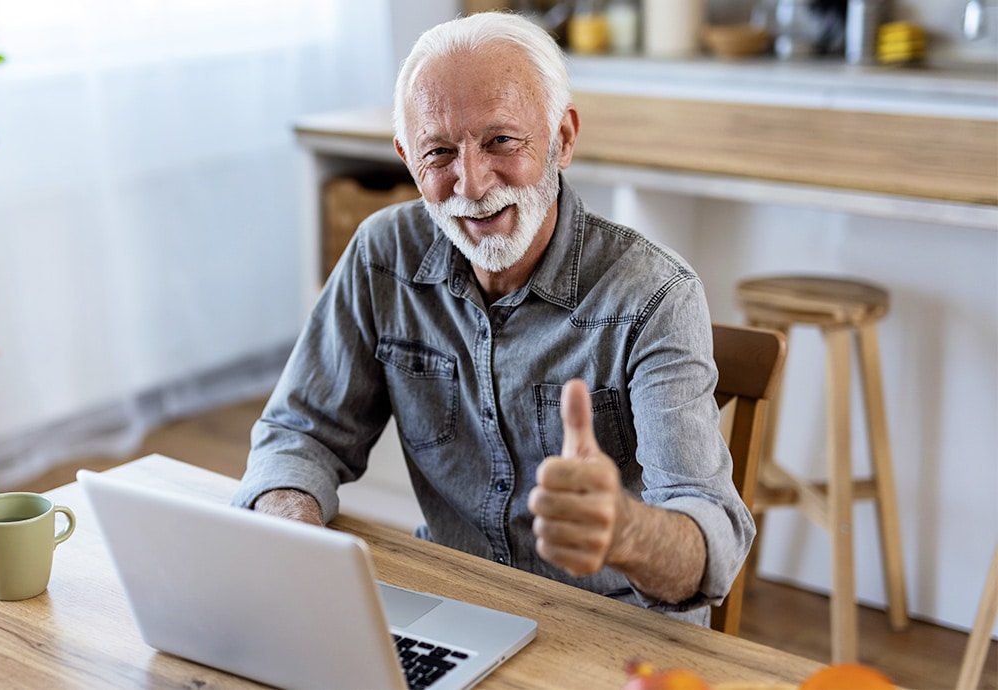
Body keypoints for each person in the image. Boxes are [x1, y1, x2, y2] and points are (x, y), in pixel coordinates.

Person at [231, 11, 754, 626]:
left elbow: (711, 537)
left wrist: (624, 530)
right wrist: (294, 533)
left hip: (611, 630)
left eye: (502, 141)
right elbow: (300, 435)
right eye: (440, 153)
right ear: (406, 156)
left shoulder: (654, 295)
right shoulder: (382, 255)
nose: (471, 185)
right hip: (449, 606)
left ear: (562, 137)